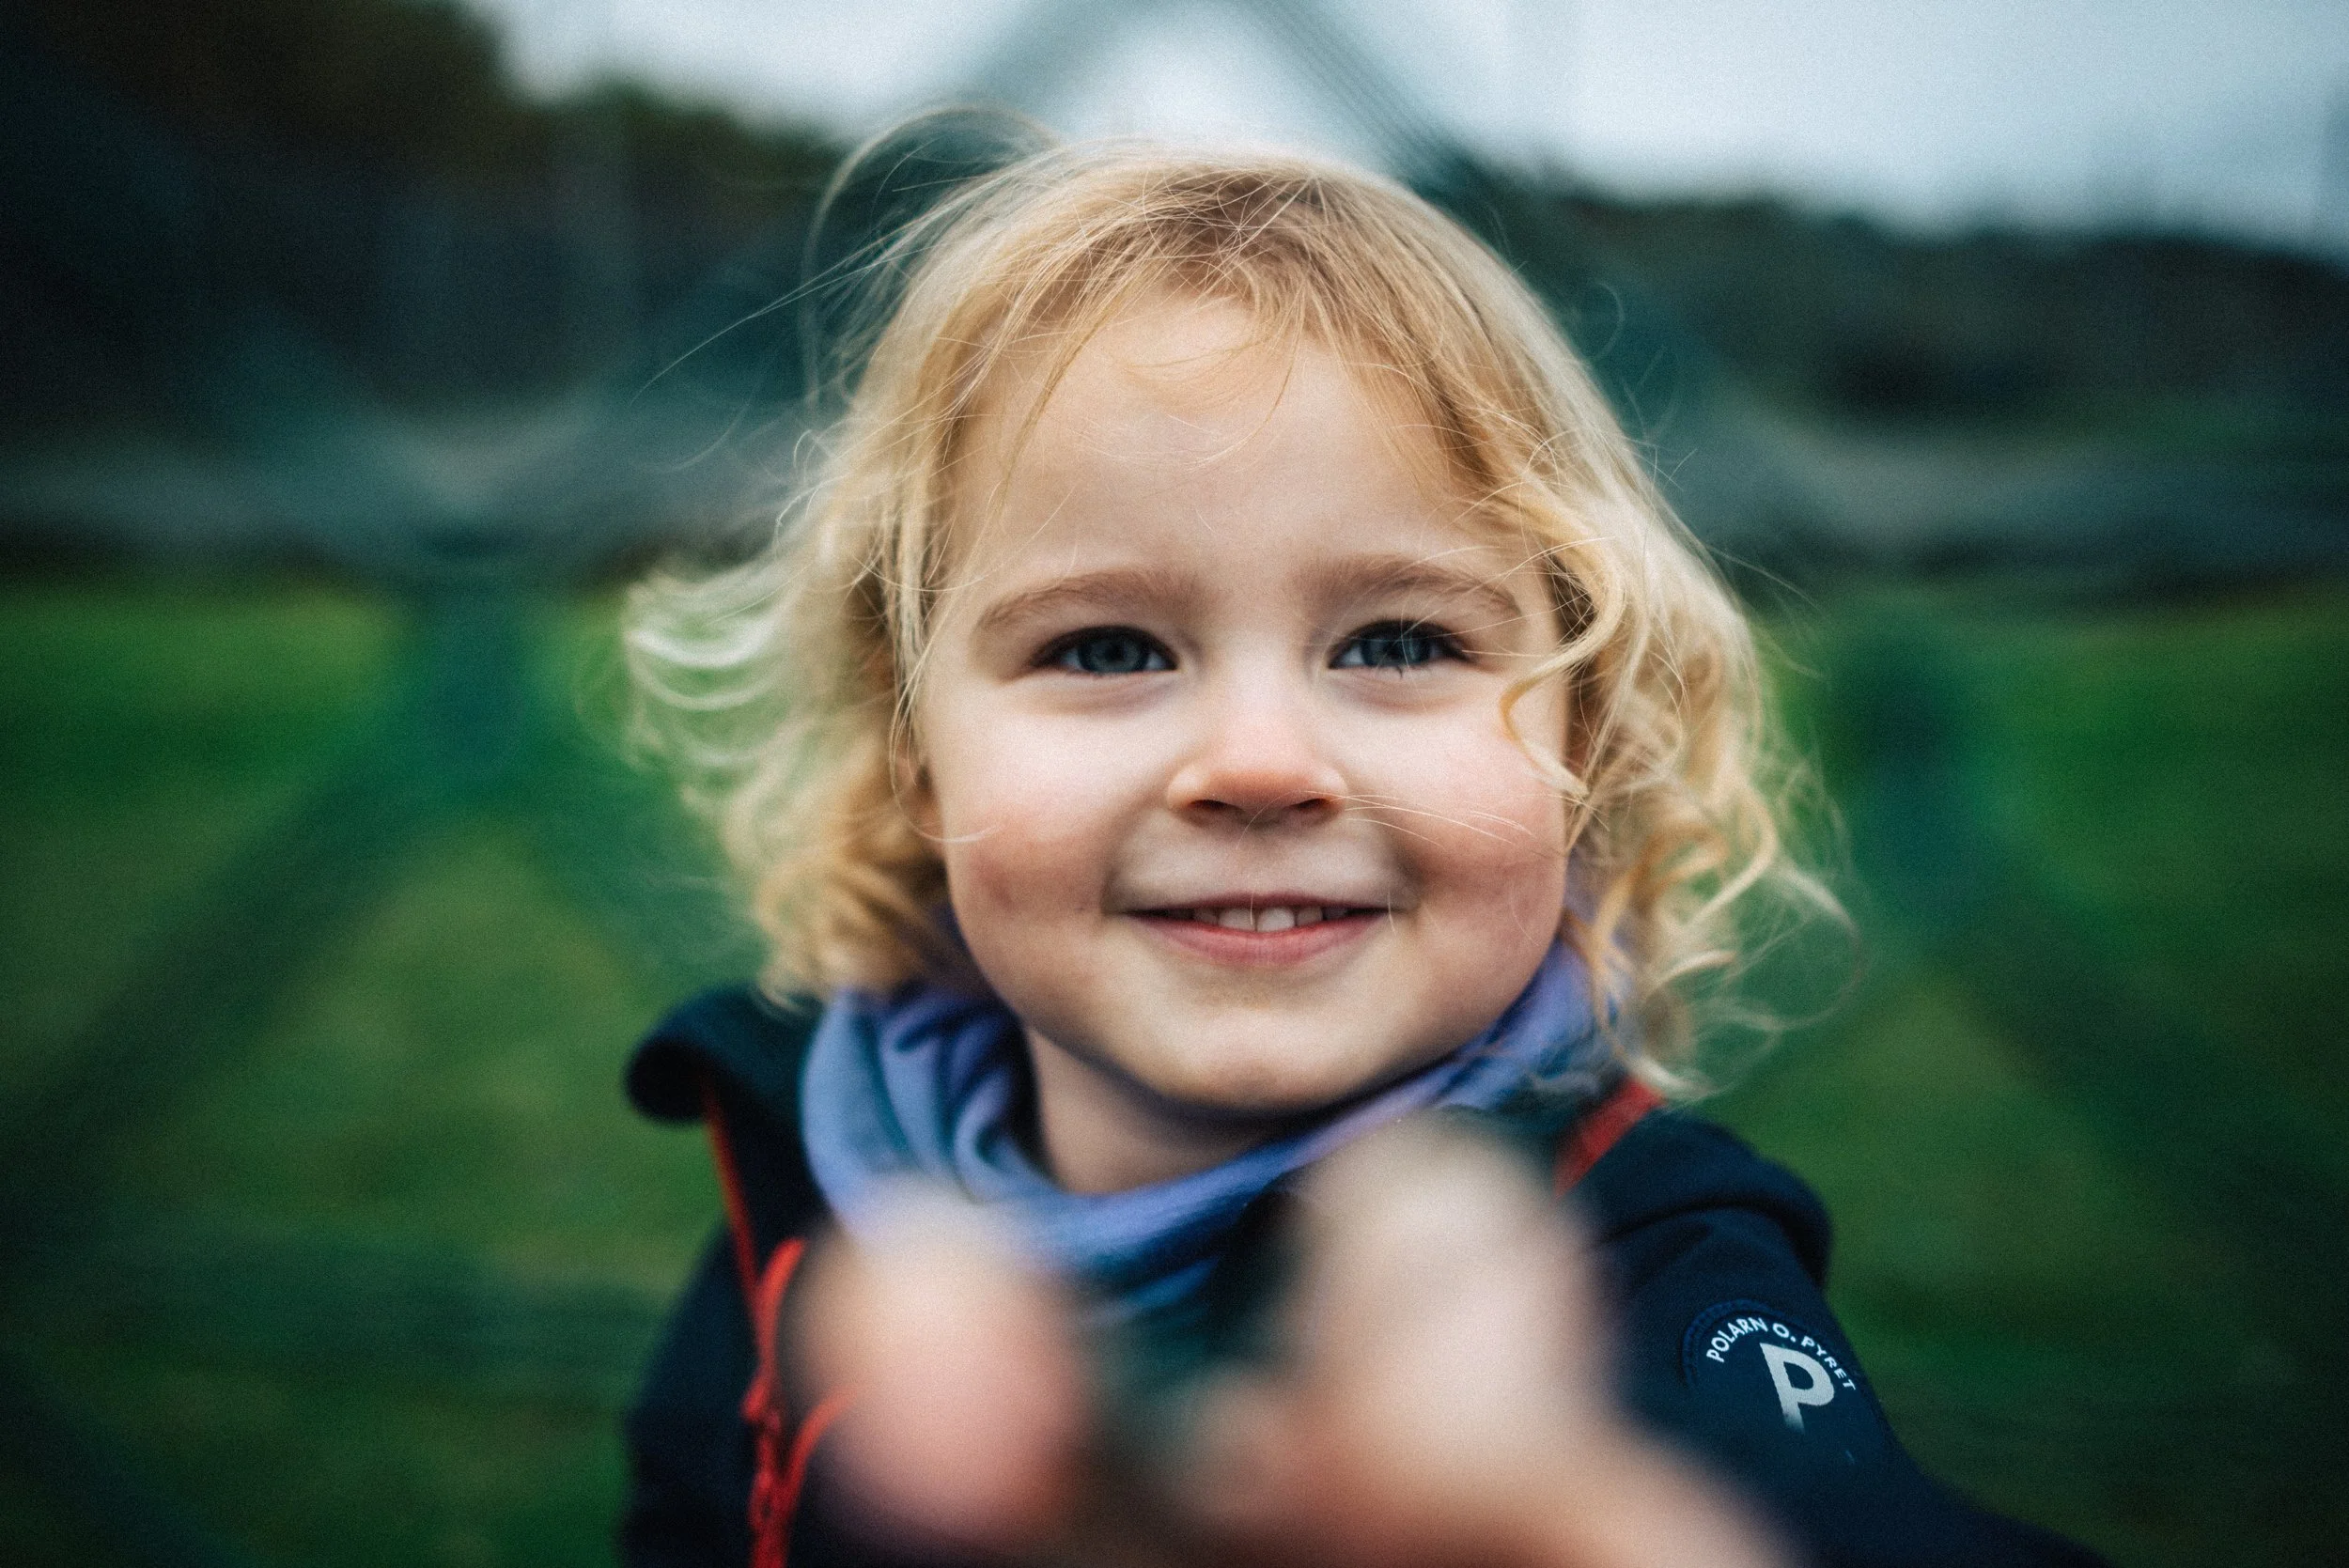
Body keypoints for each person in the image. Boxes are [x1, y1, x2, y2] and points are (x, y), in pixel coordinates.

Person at [615, 139, 2105, 1568]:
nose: (1259, 765)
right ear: (911, 749)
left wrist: (1584, 1520)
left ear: (1581, 737)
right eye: (1109, 644)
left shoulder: (1653, 1267)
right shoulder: (805, 1187)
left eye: (1399, 640)